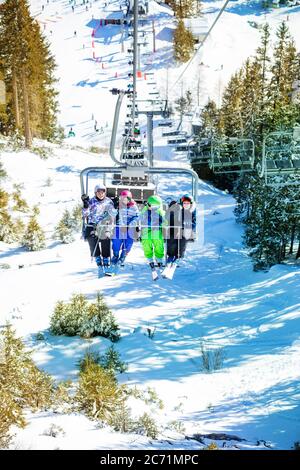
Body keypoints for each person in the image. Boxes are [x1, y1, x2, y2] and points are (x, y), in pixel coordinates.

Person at [81, 184, 117, 276]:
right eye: (99, 192)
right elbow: (85, 214)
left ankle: (105, 258)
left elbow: (113, 214)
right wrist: (85, 205)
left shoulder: (108, 202)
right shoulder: (91, 201)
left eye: (103, 192)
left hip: (105, 223)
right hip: (93, 223)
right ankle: (97, 257)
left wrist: (115, 207)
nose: (101, 194)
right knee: (91, 236)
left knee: (105, 237)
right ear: (95, 193)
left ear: (105, 192)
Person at [111, 190, 139, 268]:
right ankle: (115, 255)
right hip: (120, 226)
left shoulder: (134, 206)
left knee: (128, 241)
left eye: (127, 199)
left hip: (130, 227)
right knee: (116, 240)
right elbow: (112, 214)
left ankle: (123, 255)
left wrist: (131, 224)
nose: (125, 200)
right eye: (123, 198)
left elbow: (137, 217)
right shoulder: (119, 205)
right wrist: (115, 208)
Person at [165, 194, 196, 264]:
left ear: (191, 204)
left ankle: (179, 255)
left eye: (187, 203)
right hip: (177, 227)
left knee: (183, 238)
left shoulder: (192, 210)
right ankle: (170, 254)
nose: (186, 205)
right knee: (172, 236)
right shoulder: (178, 208)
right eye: (184, 203)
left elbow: (194, 222)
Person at [140, 194, 166, 271]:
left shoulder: (160, 212)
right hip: (146, 229)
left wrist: (165, 225)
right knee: (146, 241)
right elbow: (139, 218)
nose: (153, 208)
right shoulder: (145, 210)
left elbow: (165, 221)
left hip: (156, 229)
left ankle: (159, 258)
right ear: (148, 204)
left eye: (156, 206)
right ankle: (149, 258)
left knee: (158, 241)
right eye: (152, 206)